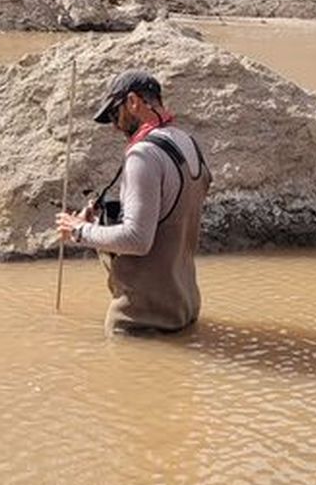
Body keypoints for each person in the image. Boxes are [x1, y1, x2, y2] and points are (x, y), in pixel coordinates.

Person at [56, 68, 210, 334]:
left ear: (133, 102)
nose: (115, 125)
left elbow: (137, 240)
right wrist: (104, 218)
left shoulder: (144, 155)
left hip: (141, 320)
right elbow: (172, 215)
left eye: (115, 114)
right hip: (185, 308)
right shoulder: (188, 143)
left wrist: (79, 231)